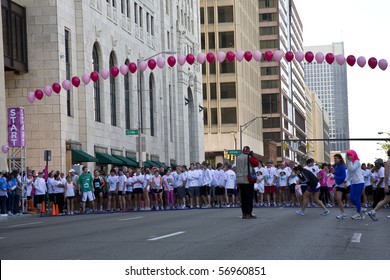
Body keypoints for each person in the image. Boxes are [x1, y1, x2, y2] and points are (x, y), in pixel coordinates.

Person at [235, 146, 259, 219]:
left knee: (243, 197)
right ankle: (249, 213)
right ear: (248, 151)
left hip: (240, 179)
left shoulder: (238, 157)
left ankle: (244, 213)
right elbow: (256, 163)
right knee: (249, 197)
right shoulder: (249, 157)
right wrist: (252, 155)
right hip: (247, 179)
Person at [367, 150, 390, 221]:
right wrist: (386, 185)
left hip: (388, 184)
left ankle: (373, 211)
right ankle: (373, 211)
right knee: (385, 200)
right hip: (389, 184)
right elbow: (385, 175)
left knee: (386, 200)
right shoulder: (388, 163)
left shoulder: (387, 163)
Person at [346, 149, 365, 220]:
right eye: (347, 155)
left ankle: (358, 214)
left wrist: (349, 162)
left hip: (360, 182)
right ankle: (359, 208)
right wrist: (346, 180)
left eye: (350, 155)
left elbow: (353, 169)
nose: (348, 157)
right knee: (351, 198)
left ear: (353, 155)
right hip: (354, 183)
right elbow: (349, 173)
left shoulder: (357, 162)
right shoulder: (350, 163)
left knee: (357, 197)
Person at [332, 154, 347, 219]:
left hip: (346, 184)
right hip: (339, 185)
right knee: (338, 199)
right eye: (334, 158)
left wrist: (334, 177)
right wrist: (332, 176)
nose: (335, 160)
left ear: (340, 159)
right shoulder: (336, 166)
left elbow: (344, 177)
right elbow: (336, 174)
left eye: (336, 158)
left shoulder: (342, 166)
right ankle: (343, 213)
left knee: (351, 199)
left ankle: (360, 209)